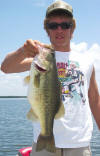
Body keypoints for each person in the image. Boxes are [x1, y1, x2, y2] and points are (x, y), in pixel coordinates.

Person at [1, 0, 100, 156]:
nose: (59, 29)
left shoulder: (87, 61)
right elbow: (6, 67)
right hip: (43, 143)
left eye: (65, 25)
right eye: (53, 25)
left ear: (72, 29)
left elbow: (94, 99)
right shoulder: (37, 60)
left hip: (79, 142)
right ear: (47, 29)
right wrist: (22, 51)